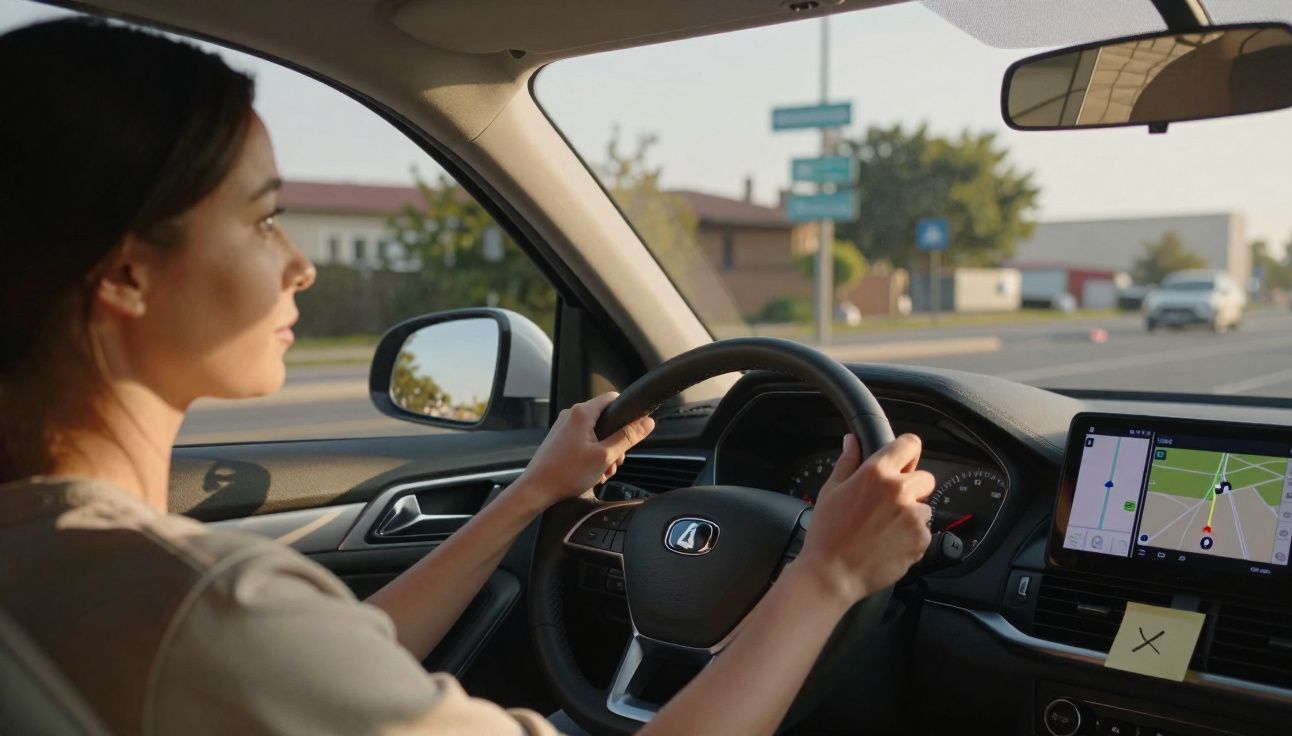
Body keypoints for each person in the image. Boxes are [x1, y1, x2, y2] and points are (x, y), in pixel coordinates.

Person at [0, 17, 934, 736]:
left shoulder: (84, 573)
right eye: (262, 219)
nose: (301, 266)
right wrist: (825, 575)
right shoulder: (205, 608)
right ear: (126, 274)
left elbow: (339, 658)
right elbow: (269, 645)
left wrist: (531, 494)